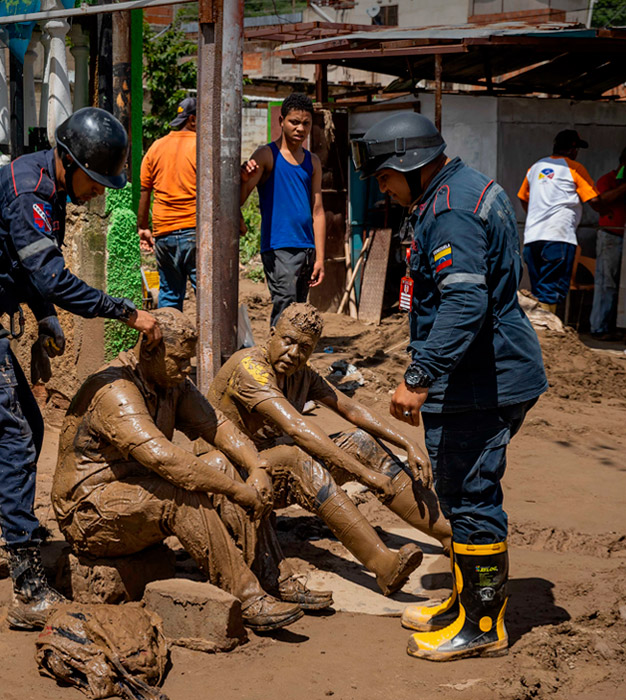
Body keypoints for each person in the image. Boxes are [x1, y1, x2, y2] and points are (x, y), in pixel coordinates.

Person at [0, 107, 160, 631]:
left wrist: (45, 316)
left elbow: (21, 265)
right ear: (68, 160)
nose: (97, 193)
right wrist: (126, 310)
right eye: (94, 182)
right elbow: (50, 274)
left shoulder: (44, 185)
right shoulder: (31, 192)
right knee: (11, 443)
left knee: (23, 430)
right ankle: (28, 589)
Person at [352, 112, 547, 661]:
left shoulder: (452, 209)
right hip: (481, 371)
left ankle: (482, 626)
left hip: (484, 379)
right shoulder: (459, 190)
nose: (384, 187)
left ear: (412, 164)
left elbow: (466, 302)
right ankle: (465, 607)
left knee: (472, 496)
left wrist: (419, 376)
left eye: (387, 175)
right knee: (462, 494)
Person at [52, 308, 316, 631]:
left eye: (188, 359)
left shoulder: (171, 380)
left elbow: (215, 423)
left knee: (221, 462)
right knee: (178, 495)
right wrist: (236, 490)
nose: (187, 368)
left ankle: (269, 572)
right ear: (149, 350)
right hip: (88, 513)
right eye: (179, 360)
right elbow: (167, 461)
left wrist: (255, 465)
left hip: (133, 489)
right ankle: (246, 596)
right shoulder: (115, 391)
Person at [207, 302, 450, 597]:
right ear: (271, 335)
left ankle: (447, 535)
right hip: (226, 479)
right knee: (298, 458)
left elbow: (349, 407)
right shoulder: (250, 368)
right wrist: (364, 475)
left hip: (267, 471)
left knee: (359, 442)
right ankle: (384, 565)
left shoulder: (301, 374)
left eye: (304, 347)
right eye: (288, 341)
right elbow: (298, 427)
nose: (294, 353)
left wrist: (408, 443)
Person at [240, 93, 326, 327]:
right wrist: (243, 178)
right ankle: (277, 360)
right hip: (279, 247)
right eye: (294, 122)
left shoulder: (313, 161)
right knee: (285, 309)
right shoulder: (266, 155)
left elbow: (318, 211)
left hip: (306, 248)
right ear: (281, 121)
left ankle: (294, 363)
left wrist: (319, 257)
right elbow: (239, 198)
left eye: (306, 123)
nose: (300, 128)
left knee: (300, 313)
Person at [518, 129, 622, 313]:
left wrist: (537, 214)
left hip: (532, 239)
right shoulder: (575, 168)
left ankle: (537, 334)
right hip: (558, 237)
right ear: (573, 150)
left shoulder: (535, 167)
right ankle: (547, 335)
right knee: (550, 292)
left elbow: (522, 197)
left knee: (539, 291)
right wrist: (613, 202)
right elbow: (595, 202)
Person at [138, 97, 198, 310]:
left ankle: (169, 342)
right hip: (194, 232)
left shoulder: (156, 147)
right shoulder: (201, 146)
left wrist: (143, 227)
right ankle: (211, 344)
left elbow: (145, 190)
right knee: (207, 298)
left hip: (163, 234)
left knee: (170, 295)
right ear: (192, 119)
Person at [590, 144, 626, 339]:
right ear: (625, 163)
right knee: (607, 284)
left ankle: (622, 325)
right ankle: (600, 327)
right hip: (611, 236)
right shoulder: (608, 180)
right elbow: (601, 201)